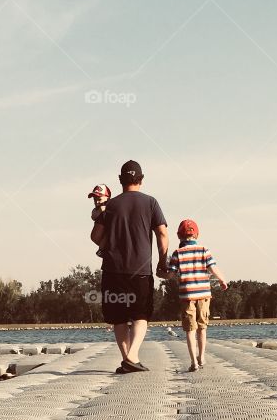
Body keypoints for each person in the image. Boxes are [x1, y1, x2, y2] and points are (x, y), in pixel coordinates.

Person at [90, 159, 168, 373]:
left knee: (119, 317)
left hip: (113, 269)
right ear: (141, 179)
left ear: (120, 180)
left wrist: (111, 241)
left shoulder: (111, 205)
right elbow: (162, 233)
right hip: (141, 270)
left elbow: (95, 236)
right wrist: (163, 262)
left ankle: (127, 359)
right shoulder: (151, 202)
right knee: (141, 315)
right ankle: (132, 356)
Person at [166, 219, 227, 370]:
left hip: (187, 296)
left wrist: (161, 273)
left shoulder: (177, 253)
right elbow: (213, 268)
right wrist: (222, 280)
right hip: (204, 294)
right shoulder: (204, 250)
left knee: (189, 329)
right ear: (197, 234)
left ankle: (193, 361)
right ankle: (202, 356)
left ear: (179, 236)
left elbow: (171, 275)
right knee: (202, 327)